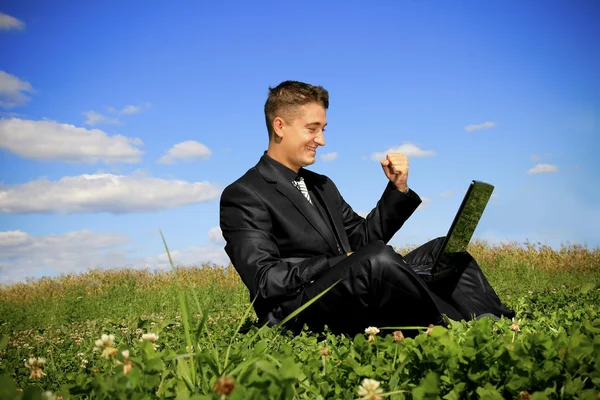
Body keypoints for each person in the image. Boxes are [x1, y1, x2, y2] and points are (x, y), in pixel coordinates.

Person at [219, 80, 514, 337]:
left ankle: (498, 322)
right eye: (313, 129)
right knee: (377, 260)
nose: (321, 140)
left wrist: (397, 189)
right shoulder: (244, 194)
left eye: (323, 129)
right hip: (297, 312)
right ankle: (455, 328)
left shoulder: (322, 185)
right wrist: (339, 262)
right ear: (279, 125)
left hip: (351, 287)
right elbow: (264, 279)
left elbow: (362, 241)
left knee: (439, 250)